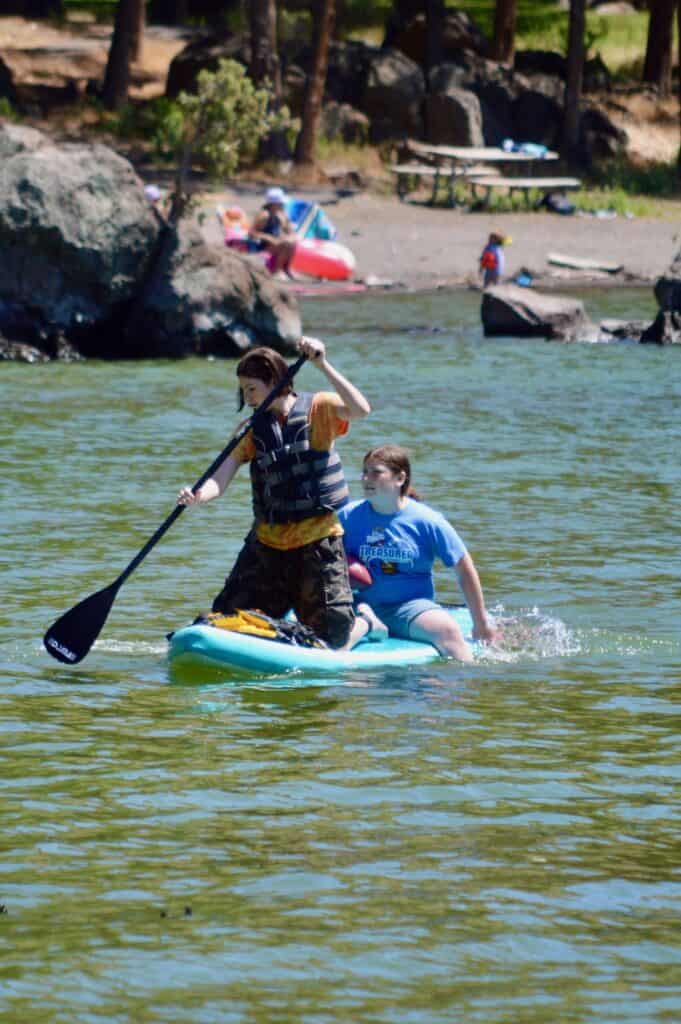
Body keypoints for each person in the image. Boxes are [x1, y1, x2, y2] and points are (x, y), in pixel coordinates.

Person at [177, 336, 380, 650]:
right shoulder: (250, 430)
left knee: (333, 638)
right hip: (267, 546)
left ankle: (365, 621)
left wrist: (321, 363)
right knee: (224, 620)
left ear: (274, 380)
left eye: (252, 388)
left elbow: (361, 409)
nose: (247, 397)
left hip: (317, 542)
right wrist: (197, 495)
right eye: (242, 390)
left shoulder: (320, 409)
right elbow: (221, 478)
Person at [337, 445, 500, 663]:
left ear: (400, 478)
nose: (367, 478)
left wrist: (480, 624)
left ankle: (468, 689)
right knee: (350, 627)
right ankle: (360, 630)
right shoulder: (347, 517)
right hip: (359, 603)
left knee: (449, 632)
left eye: (376, 472)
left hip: (409, 609)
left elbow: (463, 568)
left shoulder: (427, 521)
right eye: (365, 472)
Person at [249, 186, 298, 279]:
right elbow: (251, 233)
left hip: (277, 243)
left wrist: (290, 234)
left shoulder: (280, 214)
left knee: (292, 243)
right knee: (286, 244)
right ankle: (277, 270)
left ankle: (286, 269)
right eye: (280, 203)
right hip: (264, 246)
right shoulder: (264, 215)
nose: (282, 205)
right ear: (273, 204)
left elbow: (288, 229)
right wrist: (268, 238)